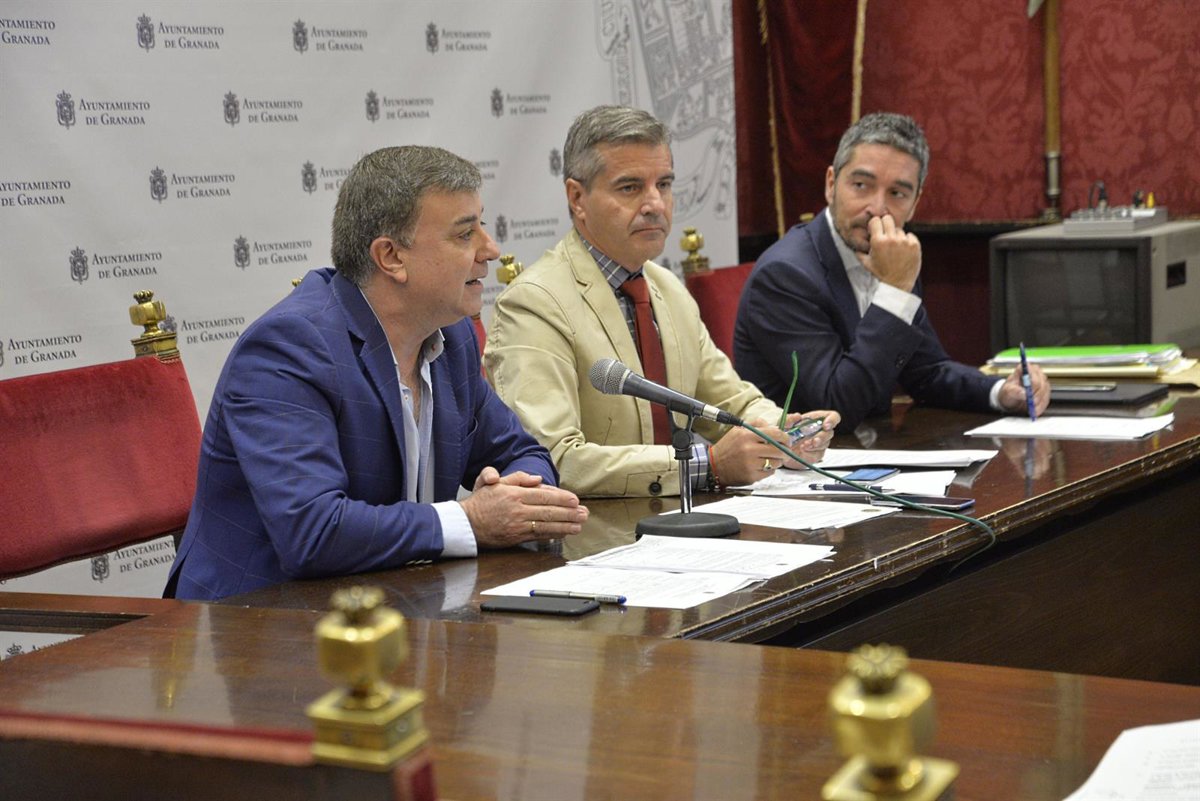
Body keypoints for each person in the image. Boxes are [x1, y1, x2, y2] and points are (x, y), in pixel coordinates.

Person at [167, 146, 587, 601]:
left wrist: (517, 493)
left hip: (396, 601)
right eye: (466, 234)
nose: (490, 249)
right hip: (255, 620)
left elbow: (524, 451)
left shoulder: (452, 337)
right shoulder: (288, 348)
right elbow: (313, 531)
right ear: (391, 257)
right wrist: (472, 520)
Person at [484, 105, 838, 498]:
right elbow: (554, 459)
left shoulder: (666, 288)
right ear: (577, 197)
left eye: (664, 184)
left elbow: (730, 400)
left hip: (682, 516)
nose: (655, 203)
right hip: (595, 528)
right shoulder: (534, 304)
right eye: (630, 188)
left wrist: (786, 433)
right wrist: (708, 465)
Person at [733, 112, 1050, 430]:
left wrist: (1000, 392)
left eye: (897, 193)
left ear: (914, 203)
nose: (877, 208)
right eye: (861, 185)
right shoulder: (785, 275)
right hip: (796, 457)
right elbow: (836, 405)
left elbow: (926, 372)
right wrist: (896, 289)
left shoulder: (890, 255)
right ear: (831, 185)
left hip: (870, 450)